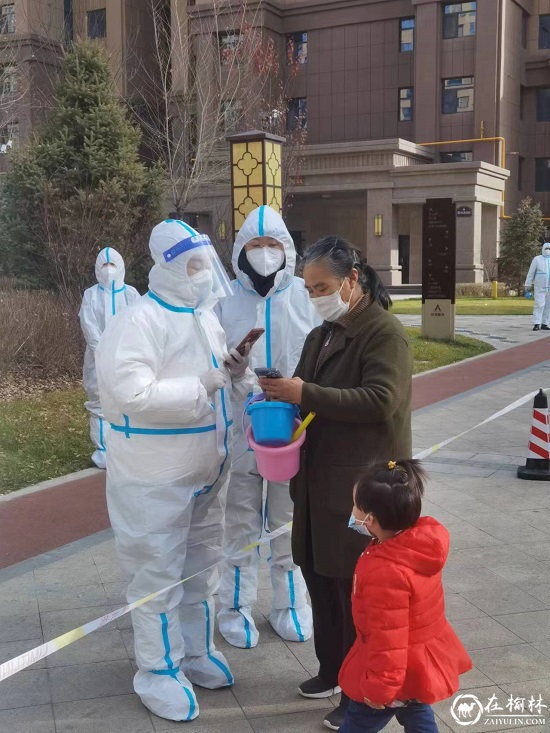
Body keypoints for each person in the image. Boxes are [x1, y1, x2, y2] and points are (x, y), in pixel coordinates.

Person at [96, 220, 254, 722]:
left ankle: (194, 650)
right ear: (165, 267)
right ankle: (157, 669)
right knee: (157, 572)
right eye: (193, 266)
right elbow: (131, 394)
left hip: (206, 473)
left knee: (201, 567)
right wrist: (206, 382)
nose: (203, 276)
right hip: (155, 479)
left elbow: (215, 378)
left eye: (206, 265)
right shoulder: (138, 321)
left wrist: (234, 372)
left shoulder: (203, 319)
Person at [261, 236, 413, 731]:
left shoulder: (383, 333)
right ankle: (330, 669)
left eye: (322, 286)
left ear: (352, 280)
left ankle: (361, 693)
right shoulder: (321, 333)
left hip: (361, 486)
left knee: (355, 595)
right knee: (318, 577)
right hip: (316, 480)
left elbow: (379, 400)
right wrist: (281, 392)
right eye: (308, 289)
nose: (315, 296)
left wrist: (305, 391)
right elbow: (311, 394)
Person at [216, 205, 319, 648]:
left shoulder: (304, 297)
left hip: (292, 430)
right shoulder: (226, 304)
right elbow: (214, 368)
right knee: (240, 521)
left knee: (287, 519)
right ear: (241, 251)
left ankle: (290, 605)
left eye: (272, 245)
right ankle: (235, 607)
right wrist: (235, 367)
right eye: (255, 246)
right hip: (244, 431)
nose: (263, 254)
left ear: (286, 249)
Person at [339, 459, 472, 732]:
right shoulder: (414, 546)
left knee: (358, 723)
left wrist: (379, 690)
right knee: (417, 711)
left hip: (391, 673)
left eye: (355, 506)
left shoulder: (385, 572)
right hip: (415, 666)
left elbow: (389, 639)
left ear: (370, 520)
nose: (352, 512)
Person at [79, 247, 140, 469]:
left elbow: (138, 323)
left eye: (112, 264)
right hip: (97, 360)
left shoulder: (131, 294)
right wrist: (102, 350)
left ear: (121, 266)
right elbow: (89, 325)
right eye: (104, 265)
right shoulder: (91, 295)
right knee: (99, 402)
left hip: (127, 358)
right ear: (97, 268)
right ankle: (103, 450)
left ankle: (128, 445)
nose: (108, 270)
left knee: (128, 398)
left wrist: (124, 349)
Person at [525, 242, 550, 331]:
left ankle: (545, 323)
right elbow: (531, 273)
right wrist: (528, 286)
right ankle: (537, 323)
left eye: (549, 249)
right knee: (539, 305)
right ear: (542, 249)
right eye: (546, 249)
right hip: (540, 287)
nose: (548, 251)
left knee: (548, 306)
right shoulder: (537, 259)